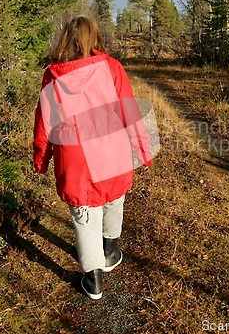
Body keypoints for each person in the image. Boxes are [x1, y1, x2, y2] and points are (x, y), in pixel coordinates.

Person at [33, 15, 152, 300]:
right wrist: (142, 149)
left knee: (84, 214)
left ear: (66, 40)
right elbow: (129, 112)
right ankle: (110, 252)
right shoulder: (112, 68)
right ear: (95, 37)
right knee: (114, 197)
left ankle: (94, 279)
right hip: (113, 153)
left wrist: (42, 158)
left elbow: (44, 123)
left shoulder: (53, 75)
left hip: (75, 160)